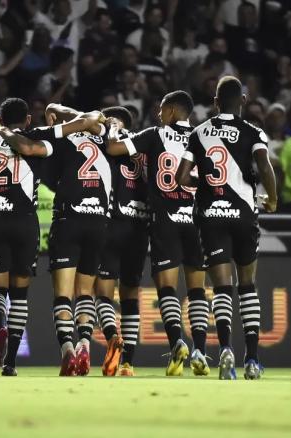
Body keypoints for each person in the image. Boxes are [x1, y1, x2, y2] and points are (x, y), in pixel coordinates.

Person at [0, 98, 103, 376]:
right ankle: (10, 363)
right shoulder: (38, 136)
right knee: (20, 295)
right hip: (25, 222)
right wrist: (89, 112)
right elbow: (87, 121)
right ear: (27, 120)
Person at [176, 76, 278, 380]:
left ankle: (224, 351)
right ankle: (252, 359)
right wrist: (271, 199)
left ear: (215, 102)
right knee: (247, 286)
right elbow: (264, 166)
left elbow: (181, 177)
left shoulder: (199, 132)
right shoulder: (254, 132)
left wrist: (204, 184)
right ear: (243, 100)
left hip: (212, 215)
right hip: (244, 215)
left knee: (221, 287)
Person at [107, 92, 209, 377]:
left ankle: (177, 341)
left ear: (174, 110)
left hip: (165, 219)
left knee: (167, 289)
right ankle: (200, 349)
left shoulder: (155, 134)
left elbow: (114, 149)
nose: (158, 113)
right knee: (197, 290)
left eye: (162, 108)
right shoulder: (202, 137)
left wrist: (113, 128)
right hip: (195, 219)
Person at [42, 102, 111, 376]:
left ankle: (68, 350)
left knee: (63, 294)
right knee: (85, 292)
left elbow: (47, 178)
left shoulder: (61, 138)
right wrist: (61, 109)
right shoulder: (102, 134)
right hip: (98, 221)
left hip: (69, 218)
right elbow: (97, 117)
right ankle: (85, 342)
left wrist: (54, 117)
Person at [94, 106, 148, 377]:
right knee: (130, 296)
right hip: (140, 228)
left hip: (113, 223)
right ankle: (128, 363)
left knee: (102, 293)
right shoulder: (144, 143)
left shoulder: (110, 141)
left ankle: (113, 336)